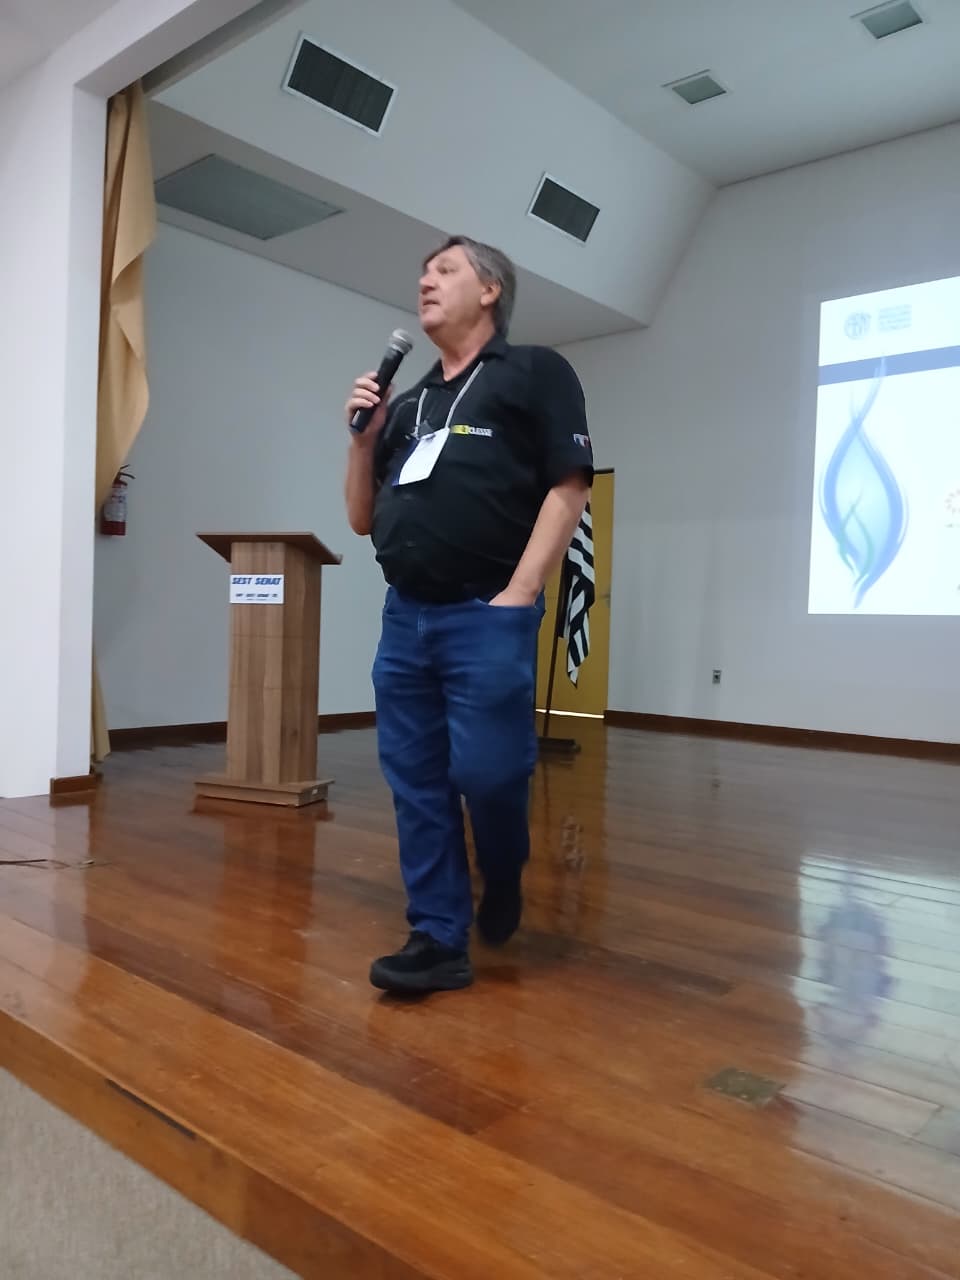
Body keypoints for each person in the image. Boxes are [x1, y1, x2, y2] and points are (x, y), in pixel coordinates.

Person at [343, 235, 593, 994]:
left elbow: (569, 486)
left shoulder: (535, 372)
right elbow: (361, 519)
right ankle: (437, 936)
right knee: (416, 782)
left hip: (487, 612)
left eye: (445, 270)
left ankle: (504, 869)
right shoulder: (410, 403)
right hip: (405, 619)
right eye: (423, 271)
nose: (426, 280)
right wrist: (362, 442)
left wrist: (519, 593)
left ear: (490, 291)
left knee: (488, 773)